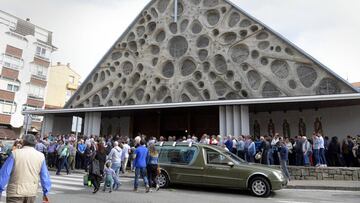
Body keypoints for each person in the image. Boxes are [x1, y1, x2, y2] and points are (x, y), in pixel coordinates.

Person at [0, 134, 51, 203]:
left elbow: (4, 174)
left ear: (23, 142)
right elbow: (45, 176)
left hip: (15, 192)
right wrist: (46, 192)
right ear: (35, 143)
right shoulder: (41, 156)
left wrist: (0, 188)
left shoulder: (15, 154)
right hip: (31, 192)